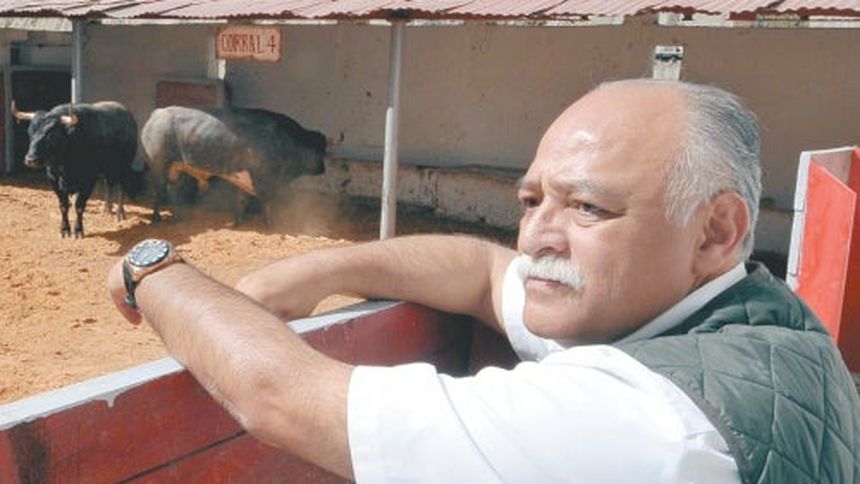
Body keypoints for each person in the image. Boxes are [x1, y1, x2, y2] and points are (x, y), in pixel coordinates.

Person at [108, 79, 859, 483]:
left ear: (717, 231)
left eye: (589, 207)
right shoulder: (756, 324)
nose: (537, 237)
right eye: (531, 202)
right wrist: (319, 269)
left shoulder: (647, 419)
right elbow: (487, 269)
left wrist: (154, 269)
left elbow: (281, 396)